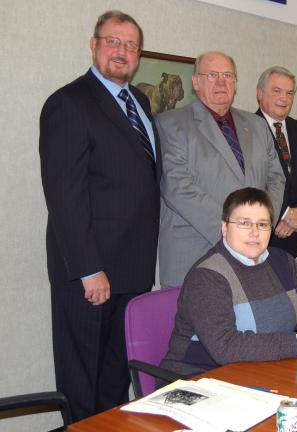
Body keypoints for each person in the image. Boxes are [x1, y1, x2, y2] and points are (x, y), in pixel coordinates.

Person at [39, 10, 160, 421]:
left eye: (130, 45)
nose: (121, 52)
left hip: (132, 271)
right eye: (113, 41)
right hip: (90, 275)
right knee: (81, 381)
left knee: (113, 380)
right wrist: (89, 269)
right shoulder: (68, 103)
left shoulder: (140, 102)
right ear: (94, 44)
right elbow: (64, 196)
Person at [160, 188, 297, 378]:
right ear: (224, 227)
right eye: (244, 223)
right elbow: (226, 347)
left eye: (262, 224)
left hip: (264, 372)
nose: (254, 233)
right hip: (199, 380)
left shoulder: (283, 262)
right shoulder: (207, 276)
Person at [156, 51, 285, 288]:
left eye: (228, 75)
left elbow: (276, 179)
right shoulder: (170, 123)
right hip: (196, 251)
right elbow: (176, 187)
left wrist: (259, 226)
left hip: (251, 255)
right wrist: (235, 230)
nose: (221, 81)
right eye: (212, 75)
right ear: (195, 82)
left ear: (235, 83)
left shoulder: (256, 125)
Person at [255, 66, 297, 256]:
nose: (284, 98)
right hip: (265, 232)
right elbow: (254, 182)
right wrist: (285, 213)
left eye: (289, 93)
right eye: (276, 91)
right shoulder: (248, 130)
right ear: (260, 94)